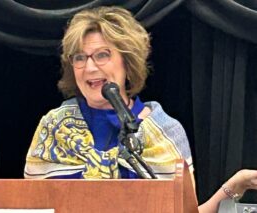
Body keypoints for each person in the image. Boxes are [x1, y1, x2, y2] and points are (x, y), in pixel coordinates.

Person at [23, 6, 257, 213]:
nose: (90, 67)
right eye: (80, 58)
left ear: (127, 60)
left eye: (102, 55)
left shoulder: (165, 132)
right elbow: (29, 207)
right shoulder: (54, 127)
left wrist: (236, 185)